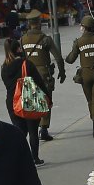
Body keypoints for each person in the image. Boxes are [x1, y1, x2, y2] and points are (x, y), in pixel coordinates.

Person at [1, 39, 50, 166]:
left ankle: (20, 159)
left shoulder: (4, 67)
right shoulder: (26, 64)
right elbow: (40, 83)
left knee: (20, 132)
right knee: (33, 131)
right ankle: (35, 159)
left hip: (13, 103)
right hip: (29, 100)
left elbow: (7, 85)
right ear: (18, 49)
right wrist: (48, 97)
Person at [20, 10, 65, 141]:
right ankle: (43, 128)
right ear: (39, 23)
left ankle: (32, 128)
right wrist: (62, 72)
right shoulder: (46, 39)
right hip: (44, 75)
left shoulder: (23, 39)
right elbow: (58, 57)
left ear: (29, 24)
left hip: (28, 74)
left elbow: (21, 58)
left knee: (31, 101)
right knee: (46, 101)